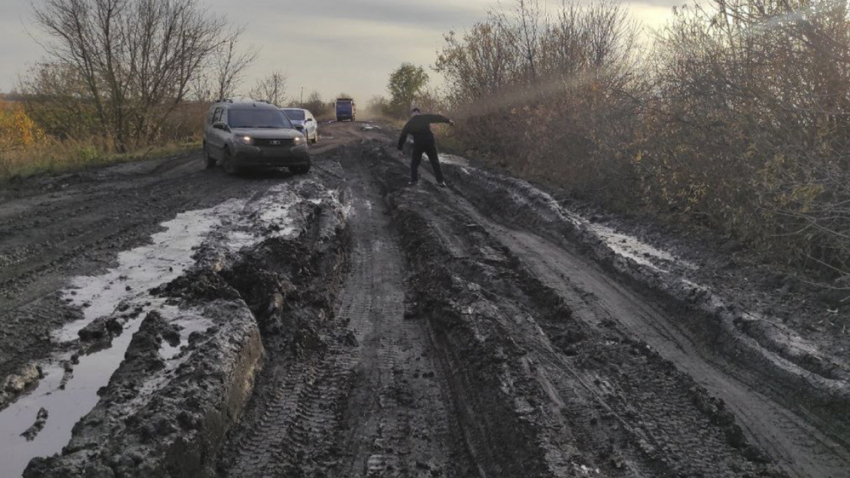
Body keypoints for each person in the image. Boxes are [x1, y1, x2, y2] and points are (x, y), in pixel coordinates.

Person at [397, 108, 454, 187]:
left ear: (412, 114)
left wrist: (399, 149)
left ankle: (414, 180)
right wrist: (448, 121)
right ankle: (441, 181)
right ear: (419, 113)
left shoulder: (409, 123)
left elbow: (403, 136)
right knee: (435, 162)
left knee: (414, 163)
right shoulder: (425, 117)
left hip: (418, 144)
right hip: (429, 143)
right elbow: (437, 117)